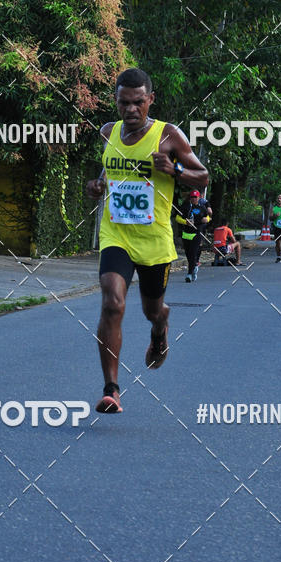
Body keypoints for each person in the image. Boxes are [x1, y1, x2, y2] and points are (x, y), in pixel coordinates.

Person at [86, 68, 209, 413]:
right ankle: (112, 389)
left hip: (154, 240)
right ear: (116, 100)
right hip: (116, 233)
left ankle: (161, 327)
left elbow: (203, 174)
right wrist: (96, 187)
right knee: (113, 303)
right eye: (124, 103)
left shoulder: (168, 136)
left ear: (150, 99)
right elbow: (108, 172)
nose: (130, 110)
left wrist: (176, 171)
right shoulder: (108, 132)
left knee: (151, 310)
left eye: (138, 102)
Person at [175, 189, 212, 281]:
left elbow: (208, 216)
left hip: (197, 233)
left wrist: (206, 219)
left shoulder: (202, 207)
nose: (194, 199)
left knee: (193, 253)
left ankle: (189, 274)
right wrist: (185, 222)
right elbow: (177, 217)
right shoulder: (185, 207)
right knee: (188, 254)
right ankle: (194, 266)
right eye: (192, 197)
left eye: (196, 197)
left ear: (199, 197)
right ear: (190, 198)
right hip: (186, 234)